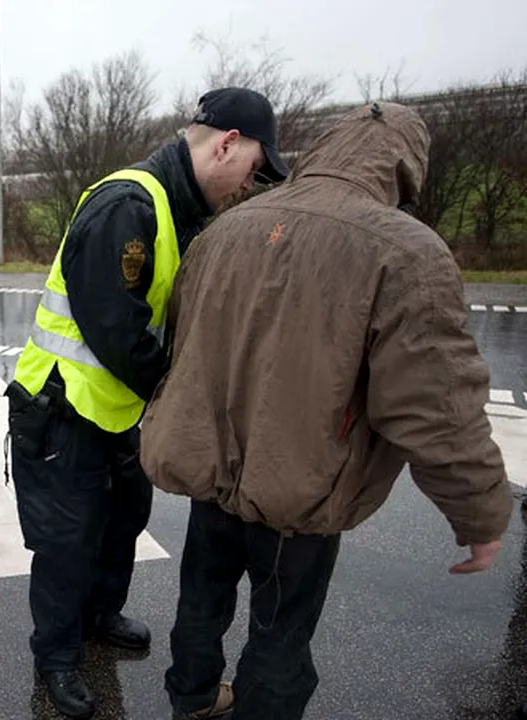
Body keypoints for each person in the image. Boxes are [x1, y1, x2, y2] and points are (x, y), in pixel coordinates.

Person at [140, 101, 513, 720]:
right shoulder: (404, 250)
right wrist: (479, 513)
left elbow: (185, 343)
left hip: (210, 470)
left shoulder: (227, 227)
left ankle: (194, 700)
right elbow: (434, 406)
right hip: (300, 489)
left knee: (200, 601)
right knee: (281, 635)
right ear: (405, 164)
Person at [4, 86, 287, 719]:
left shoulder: (175, 209)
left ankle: (101, 614)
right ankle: (56, 655)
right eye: (255, 168)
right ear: (227, 145)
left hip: (116, 408)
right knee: (67, 542)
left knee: (123, 520)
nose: (252, 183)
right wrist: (179, 392)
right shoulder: (128, 202)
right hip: (63, 406)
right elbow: (115, 325)